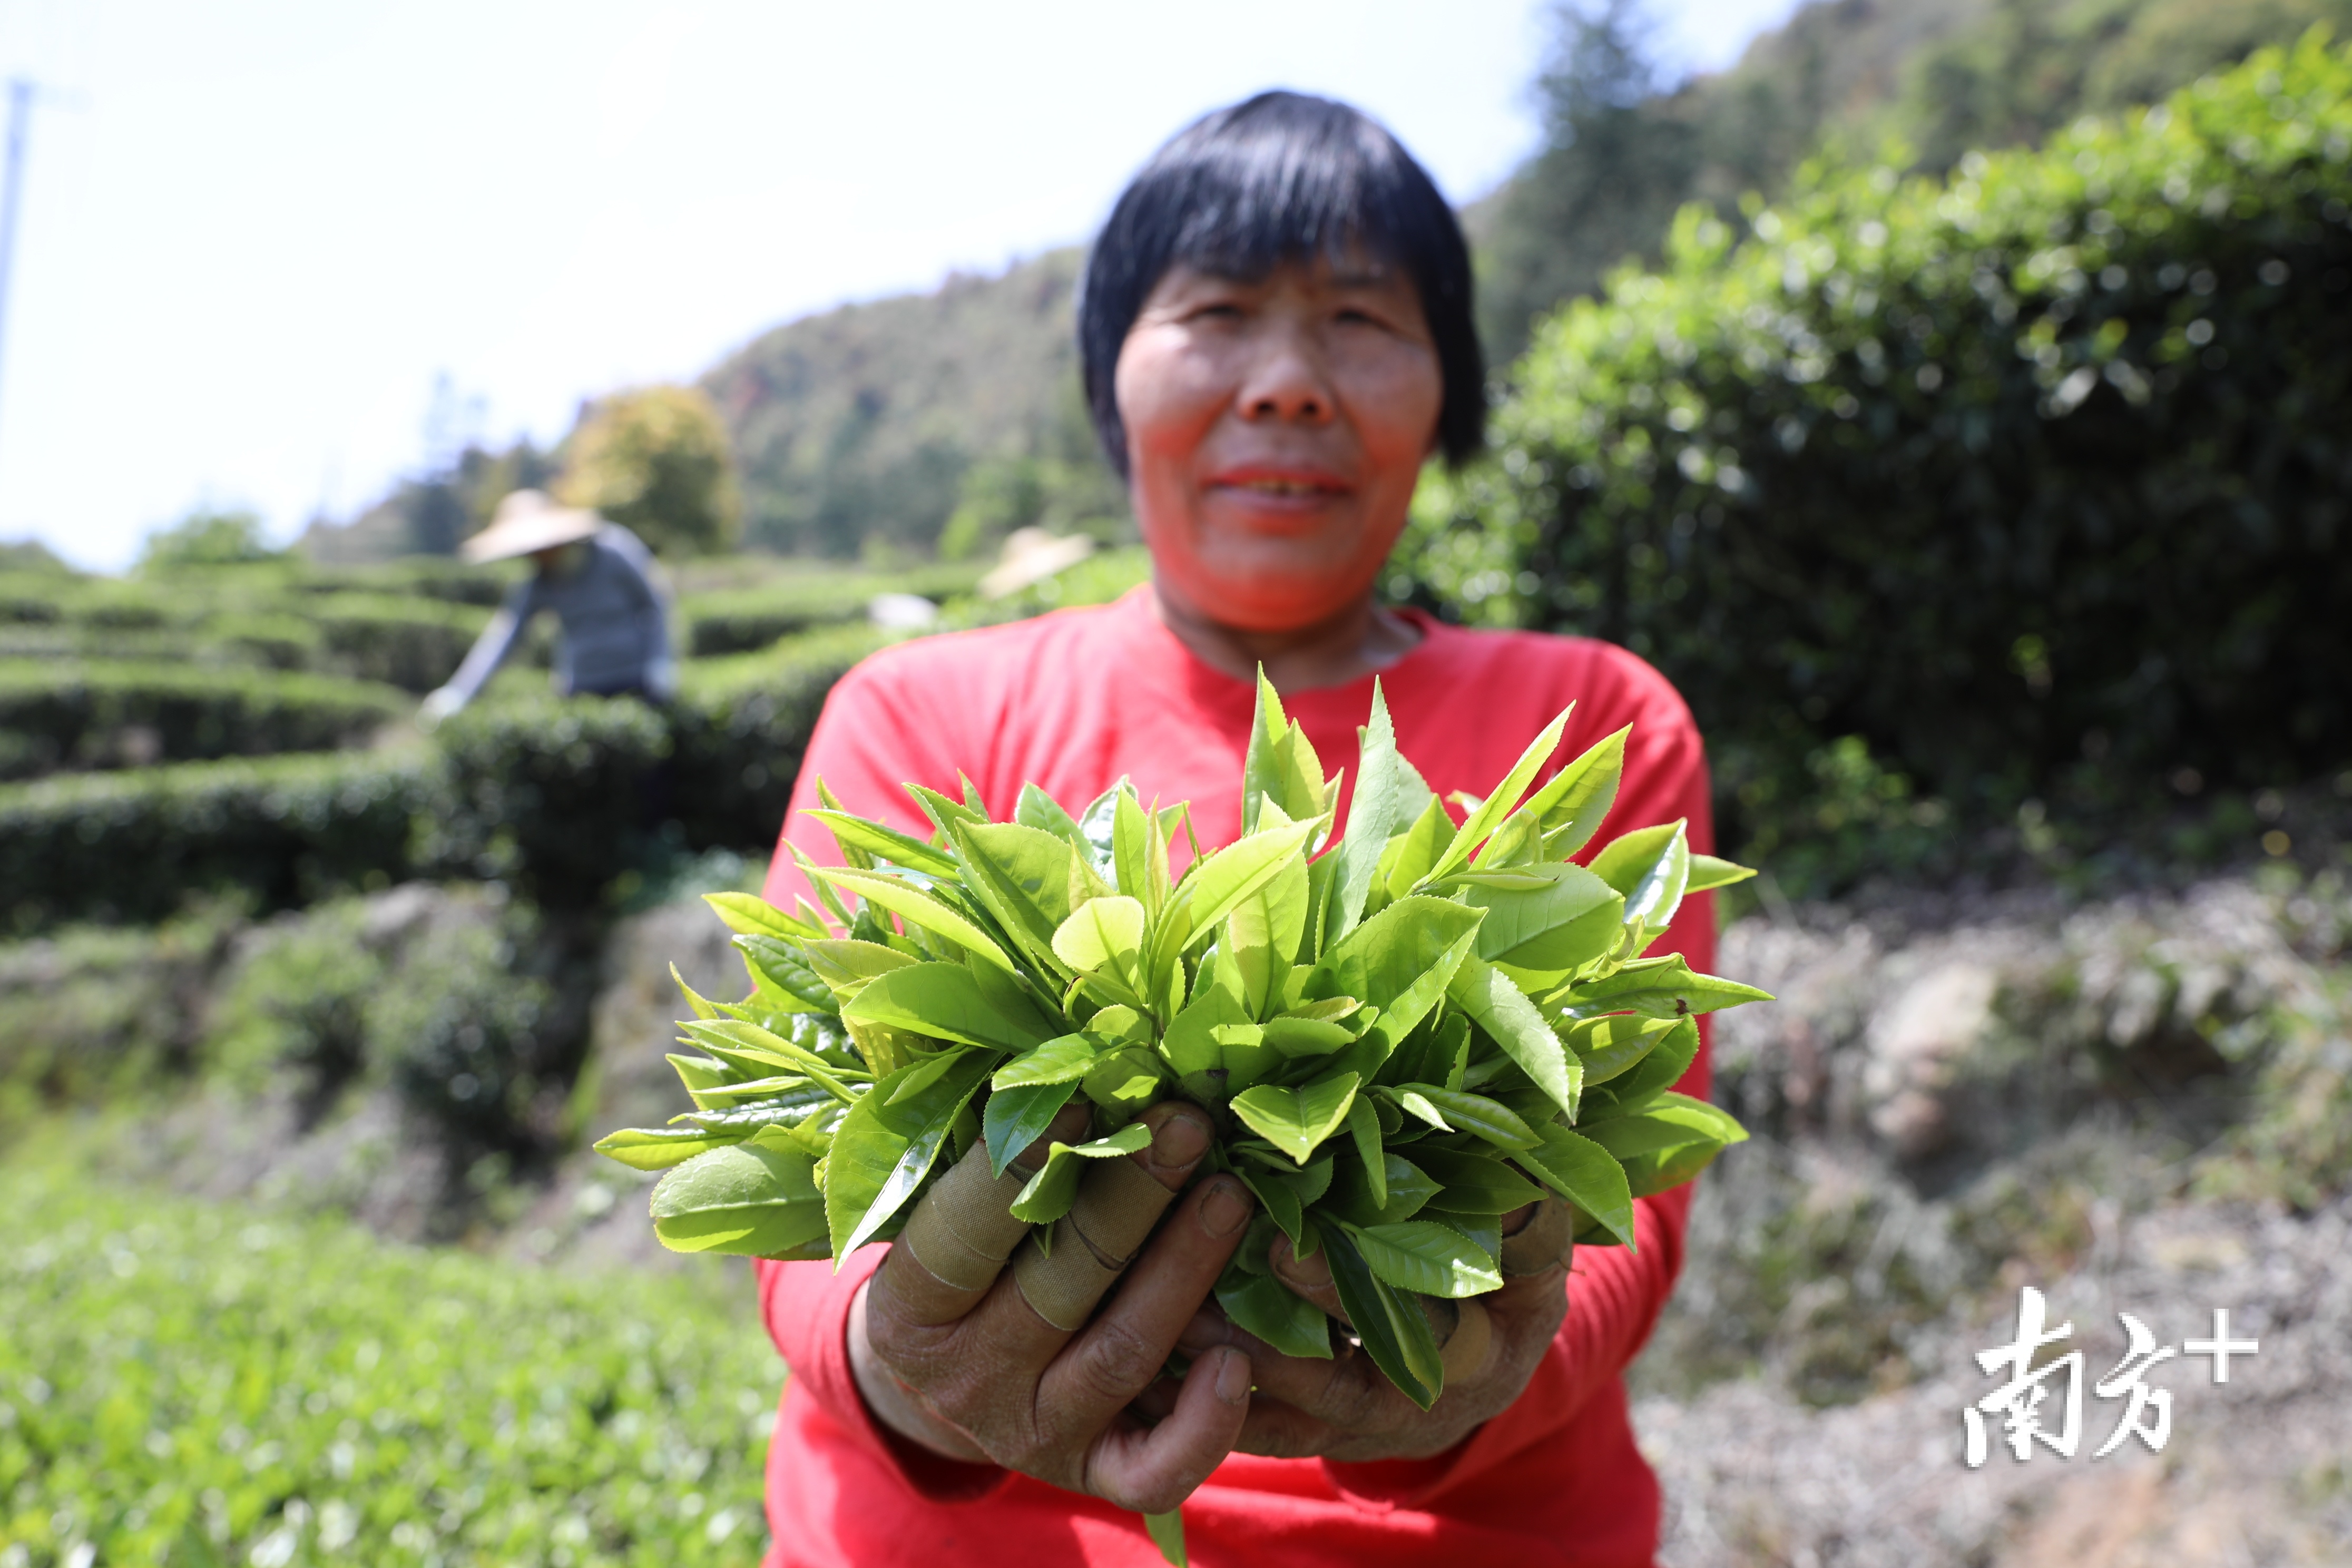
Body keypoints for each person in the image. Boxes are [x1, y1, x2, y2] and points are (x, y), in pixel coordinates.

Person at [754, 92, 1719, 1567]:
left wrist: (1478, 1369)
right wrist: (906, 1371)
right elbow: (803, 1207)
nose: (1287, 382)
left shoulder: (1586, 726)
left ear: (1447, 389)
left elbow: (1626, 1208)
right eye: (1216, 312)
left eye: (1358, 320)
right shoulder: (919, 720)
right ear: (1112, 374)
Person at [418, 489, 676, 724]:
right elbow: (504, 636)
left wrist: (660, 662)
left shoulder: (613, 550)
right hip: (582, 687)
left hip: (636, 679)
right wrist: (459, 692)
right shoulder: (538, 583)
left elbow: (656, 602)